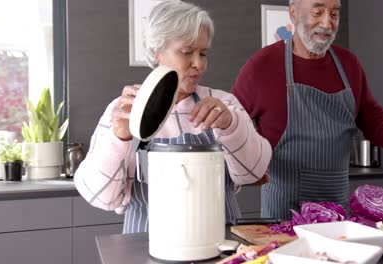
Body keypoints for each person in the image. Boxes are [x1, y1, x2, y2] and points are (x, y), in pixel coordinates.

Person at [232, 0, 383, 220]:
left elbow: (374, 121)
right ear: (293, 14)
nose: (327, 23)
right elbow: (232, 128)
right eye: (318, 12)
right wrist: (250, 162)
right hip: (284, 213)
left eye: (334, 14)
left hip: (338, 210)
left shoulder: (348, 64)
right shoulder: (262, 66)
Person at [74, 0, 272, 234]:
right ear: (156, 53)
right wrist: (119, 139)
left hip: (219, 242)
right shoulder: (125, 112)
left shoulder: (224, 105)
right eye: (186, 52)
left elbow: (254, 173)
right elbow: (102, 197)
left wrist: (231, 126)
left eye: (203, 53)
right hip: (144, 242)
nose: (198, 64)